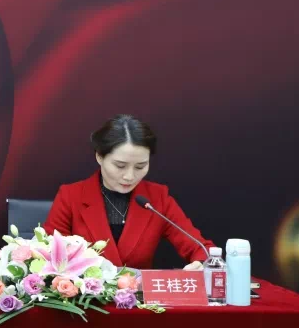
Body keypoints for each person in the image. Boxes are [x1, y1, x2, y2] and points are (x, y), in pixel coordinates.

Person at [43, 114, 212, 270]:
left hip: (139, 293)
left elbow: (203, 249)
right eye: (120, 166)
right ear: (99, 157)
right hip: (86, 292)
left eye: (140, 166)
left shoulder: (157, 198)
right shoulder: (71, 196)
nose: (129, 176)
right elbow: (49, 254)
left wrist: (201, 264)